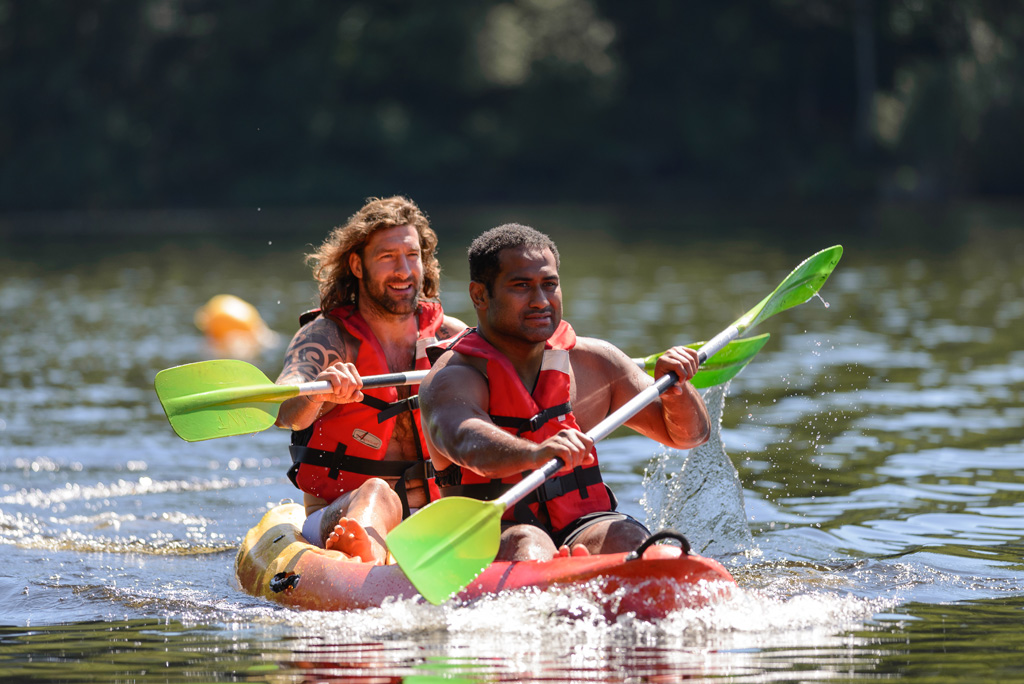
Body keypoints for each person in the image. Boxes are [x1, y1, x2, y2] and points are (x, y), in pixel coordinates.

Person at [418, 223, 710, 561]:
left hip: (580, 524)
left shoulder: (596, 363)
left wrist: (678, 393)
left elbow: (690, 436)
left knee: (630, 538)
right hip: (493, 533)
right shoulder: (453, 377)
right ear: (479, 295)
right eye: (521, 286)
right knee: (529, 544)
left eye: (549, 285)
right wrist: (533, 453)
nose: (540, 300)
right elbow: (465, 441)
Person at [274, 196, 466, 564]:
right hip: (340, 510)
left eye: (412, 256)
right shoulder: (327, 338)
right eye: (387, 257)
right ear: (357, 266)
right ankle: (362, 559)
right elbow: (286, 412)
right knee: (377, 493)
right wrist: (319, 394)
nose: (404, 270)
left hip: (434, 514)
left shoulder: (452, 339)